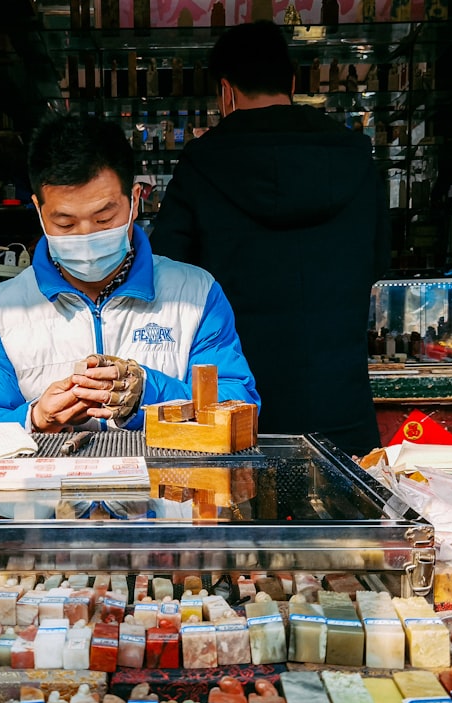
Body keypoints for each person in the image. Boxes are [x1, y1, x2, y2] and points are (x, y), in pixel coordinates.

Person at [149, 20, 389, 456]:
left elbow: (168, 275)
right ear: (292, 83)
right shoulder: (354, 155)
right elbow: (378, 261)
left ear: (226, 91)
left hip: (236, 406)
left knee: (243, 519)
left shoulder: (202, 163)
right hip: (341, 400)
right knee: (347, 520)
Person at [0, 114, 258, 432]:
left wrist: (146, 392)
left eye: (104, 219)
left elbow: (237, 406)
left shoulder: (196, 295)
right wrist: (35, 418)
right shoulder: (2, 310)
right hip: (52, 481)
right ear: (39, 211)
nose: (85, 237)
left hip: (165, 480)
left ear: (135, 201)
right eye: (65, 223)